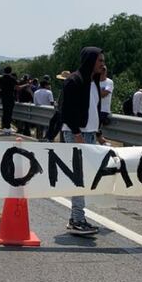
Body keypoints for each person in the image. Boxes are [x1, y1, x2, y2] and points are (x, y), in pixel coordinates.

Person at [60, 50, 105, 236]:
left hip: (89, 134)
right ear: (90, 61)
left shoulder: (93, 82)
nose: (103, 64)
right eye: (100, 60)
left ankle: (76, 218)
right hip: (76, 133)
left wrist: (98, 134)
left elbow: (93, 110)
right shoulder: (74, 80)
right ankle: (78, 219)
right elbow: (65, 109)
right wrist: (77, 133)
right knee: (79, 177)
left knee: (83, 178)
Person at [0, 66, 18, 135]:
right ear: (10, 71)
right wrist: (26, 84)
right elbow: (17, 87)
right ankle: (8, 127)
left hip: (3, 97)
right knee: (9, 112)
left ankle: (5, 127)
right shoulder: (12, 79)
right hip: (10, 97)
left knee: (5, 112)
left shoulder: (0, 79)